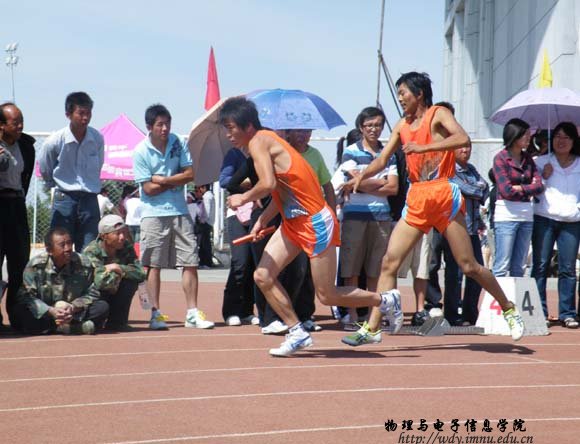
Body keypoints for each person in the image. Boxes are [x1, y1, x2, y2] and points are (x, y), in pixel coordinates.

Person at [340, 71, 524, 346]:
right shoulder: (402, 124)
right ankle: (373, 328)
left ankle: (508, 308)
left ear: (419, 94)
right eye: (398, 93)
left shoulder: (438, 113)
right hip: (417, 197)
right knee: (389, 262)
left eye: (403, 92)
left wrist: (425, 147)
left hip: (442, 195)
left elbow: (462, 138)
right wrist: (361, 176)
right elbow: (382, 159)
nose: (400, 98)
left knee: (469, 265)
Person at [220, 97, 402, 357]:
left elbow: (268, 184)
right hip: (293, 223)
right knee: (263, 276)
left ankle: (385, 299)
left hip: (315, 222)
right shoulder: (264, 142)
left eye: (230, 128)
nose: (228, 134)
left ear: (247, 126)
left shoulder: (259, 141)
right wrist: (262, 219)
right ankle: (297, 332)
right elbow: (281, 190)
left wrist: (243, 198)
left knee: (327, 295)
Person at [133, 104, 214, 330]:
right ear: (149, 126)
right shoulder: (140, 151)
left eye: (167, 123)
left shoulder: (178, 142)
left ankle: (192, 313)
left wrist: (163, 179)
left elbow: (190, 174)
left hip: (180, 211)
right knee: (153, 265)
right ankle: (155, 314)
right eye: (160, 124)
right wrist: (174, 180)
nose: (165, 129)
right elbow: (148, 189)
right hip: (153, 214)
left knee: (190, 261)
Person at [334, 108, 399, 324]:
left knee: (375, 270)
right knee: (351, 269)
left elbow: (393, 188)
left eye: (378, 125)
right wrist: (380, 181)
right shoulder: (350, 151)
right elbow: (356, 181)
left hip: (381, 218)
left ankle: (373, 317)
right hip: (354, 217)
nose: (374, 129)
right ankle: (352, 316)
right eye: (369, 125)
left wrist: (360, 183)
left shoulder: (388, 153)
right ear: (361, 128)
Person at [428, 143, 489, 326]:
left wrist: (474, 189)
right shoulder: (446, 169)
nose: (465, 150)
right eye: (461, 147)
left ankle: (470, 312)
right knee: (454, 274)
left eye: (468, 147)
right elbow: (467, 189)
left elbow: (484, 188)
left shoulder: (471, 169)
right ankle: (451, 313)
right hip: (453, 227)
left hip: (472, 228)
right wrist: (475, 189)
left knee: (477, 271)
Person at [39, 92, 104, 252]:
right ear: (68, 114)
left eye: (88, 113)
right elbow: (45, 165)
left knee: (89, 249)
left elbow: (99, 164)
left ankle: (84, 270)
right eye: (81, 113)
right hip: (65, 198)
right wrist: (52, 183)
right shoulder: (55, 140)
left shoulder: (97, 138)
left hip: (89, 198)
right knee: (60, 248)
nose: (85, 118)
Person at [12, 227, 108, 335]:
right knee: (19, 312)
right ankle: (69, 328)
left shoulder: (83, 263)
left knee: (102, 307)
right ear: (49, 250)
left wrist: (73, 307)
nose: (68, 248)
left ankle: (55, 327)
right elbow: (26, 296)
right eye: (62, 245)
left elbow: (92, 292)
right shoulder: (36, 266)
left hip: (73, 313)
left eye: (69, 243)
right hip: (47, 313)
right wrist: (50, 311)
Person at [532, 122, 580, 328]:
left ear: (574, 141)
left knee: (568, 268)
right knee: (540, 265)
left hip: (571, 221)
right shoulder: (541, 162)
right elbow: (531, 189)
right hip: (544, 218)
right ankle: (539, 311)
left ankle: (567, 313)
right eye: (558, 136)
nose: (561, 141)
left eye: (566, 137)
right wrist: (543, 178)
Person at [492, 118, 544, 277]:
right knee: (502, 264)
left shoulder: (528, 159)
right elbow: (506, 190)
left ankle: (516, 293)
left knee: (519, 266)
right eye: (525, 135)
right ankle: (499, 293)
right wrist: (529, 188)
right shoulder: (500, 158)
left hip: (526, 215)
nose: (529, 138)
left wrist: (520, 188)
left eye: (529, 134)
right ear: (514, 136)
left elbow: (539, 186)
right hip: (506, 215)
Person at [0, 103, 35, 329]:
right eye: (15, 122)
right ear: (2, 125)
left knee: (19, 262)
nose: (20, 126)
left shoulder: (26, 146)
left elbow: (26, 176)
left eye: (22, 121)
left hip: (17, 205)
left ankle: (16, 314)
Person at [83, 215, 146, 331]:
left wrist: (118, 268)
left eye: (124, 233)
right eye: (117, 233)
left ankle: (117, 322)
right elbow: (100, 281)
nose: (122, 237)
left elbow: (141, 273)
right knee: (101, 308)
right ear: (104, 236)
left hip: (114, 290)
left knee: (130, 283)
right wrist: (121, 274)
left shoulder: (126, 247)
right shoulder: (91, 251)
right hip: (96, 296)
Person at [219, 147, 259, 327]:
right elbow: (224, 180)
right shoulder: (234, 154)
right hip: (237, 214)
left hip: (259, 214)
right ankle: (231, 311)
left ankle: (247, 311)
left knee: (253, 263)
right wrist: (249, 182)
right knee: (240, 262)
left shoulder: (262, 153)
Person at [194, 184, 215, 268]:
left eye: (200, 188)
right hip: (208, 222)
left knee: (204, 243)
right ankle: (204, 262)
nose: (199, 190)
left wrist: (202, 220)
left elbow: (206, 210)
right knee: (204, 243)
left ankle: (206, 262)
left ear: (204, 188)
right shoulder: (209, 195)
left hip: (205, 223)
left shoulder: (207, 196)